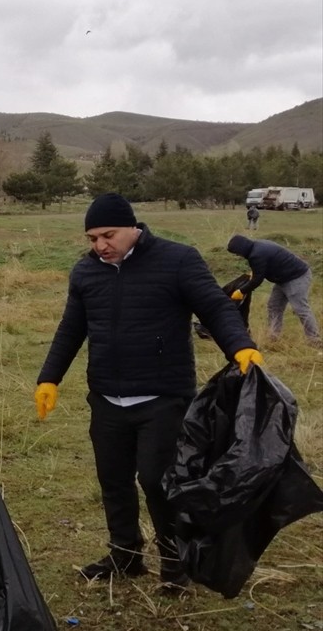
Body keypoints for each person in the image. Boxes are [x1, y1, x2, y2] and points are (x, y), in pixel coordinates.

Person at [35, 194, 262, 594]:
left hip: (163, 396)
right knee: (113, 480)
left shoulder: (178, 260)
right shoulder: (86, 273)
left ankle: (175, 565)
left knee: (158, 482)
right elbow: (71, 329)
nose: (100, 245)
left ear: (132, 228)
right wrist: (49, 378)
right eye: (92, 238)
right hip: (106, 397)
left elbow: (215, 307)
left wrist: (238, 345)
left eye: (108, 235)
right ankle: (125, 554)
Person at [226, 235, 320, 346]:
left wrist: (241, 291)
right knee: (274, 305)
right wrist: (254, 274)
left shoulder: (256, 254)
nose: (238, 255)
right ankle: (274, 336)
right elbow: (261, 270)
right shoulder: (258, 245)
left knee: (300, 308)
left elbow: (257, 280)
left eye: (237, 253)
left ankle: (315, 340)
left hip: (297, 277)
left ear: (241, 248)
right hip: (283, 279)